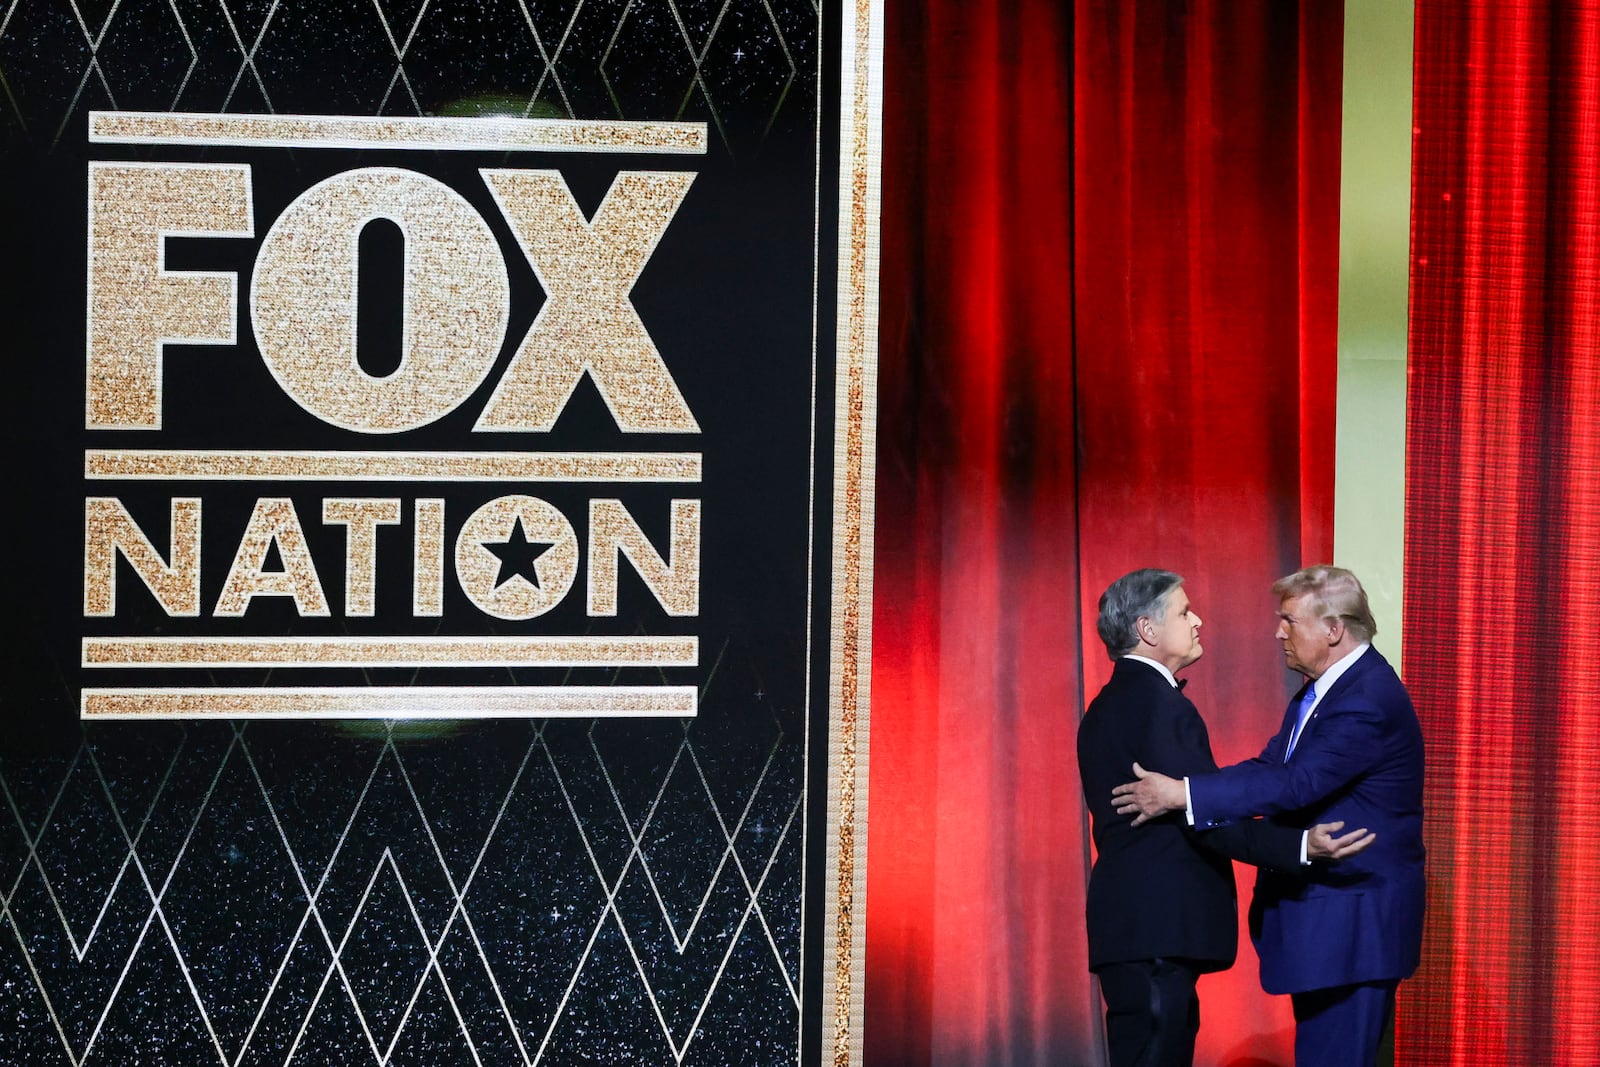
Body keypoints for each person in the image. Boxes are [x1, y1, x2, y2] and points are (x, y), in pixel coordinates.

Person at [1111, 565, 1424, 1067]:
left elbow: (1295, 783)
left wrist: (1183, 793)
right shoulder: (1321, 692)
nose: (1278, 632)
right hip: (1328, 930)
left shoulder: (1367, 699)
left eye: (1289, 620)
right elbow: (1270, 767)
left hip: (1351, 931)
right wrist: (1197, 792)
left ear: (1333, 630)